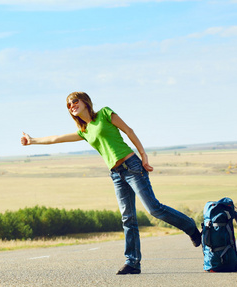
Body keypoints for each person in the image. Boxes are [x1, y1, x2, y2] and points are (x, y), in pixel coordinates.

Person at [21, 91, 202, 275]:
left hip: (132, 166)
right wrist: (32, 140)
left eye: (74, 101)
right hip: (116, 174)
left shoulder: (105, 113)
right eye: (68, 105)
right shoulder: (84, 131)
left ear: (85, 102)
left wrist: (143, 155)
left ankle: (191, 228)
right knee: (128, 218)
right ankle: (132, 262)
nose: (71, 106)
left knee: (153, 208)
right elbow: (56, 139)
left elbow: (128, 131)